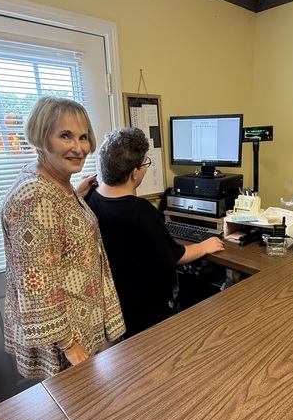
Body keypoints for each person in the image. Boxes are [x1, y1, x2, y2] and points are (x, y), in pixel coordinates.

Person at [1, 96, 125, 378]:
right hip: (68, 339)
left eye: (83, 137)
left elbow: (56, 234)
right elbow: (36, 281)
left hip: (82, 324)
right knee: (81, 415)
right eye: (65, 136)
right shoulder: (35, 196)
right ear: (41, 137)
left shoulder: (56, 185)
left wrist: (75, 198)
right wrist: (70, 347)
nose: (78, 148)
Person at [84, 126, 224, 338]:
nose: (146, 169)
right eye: (145, 164)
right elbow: (174, 256)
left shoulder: (89, 199)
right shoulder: (140, 211)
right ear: (134, 173)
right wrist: (205, 245)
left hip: (114, 310)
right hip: (147, 314)